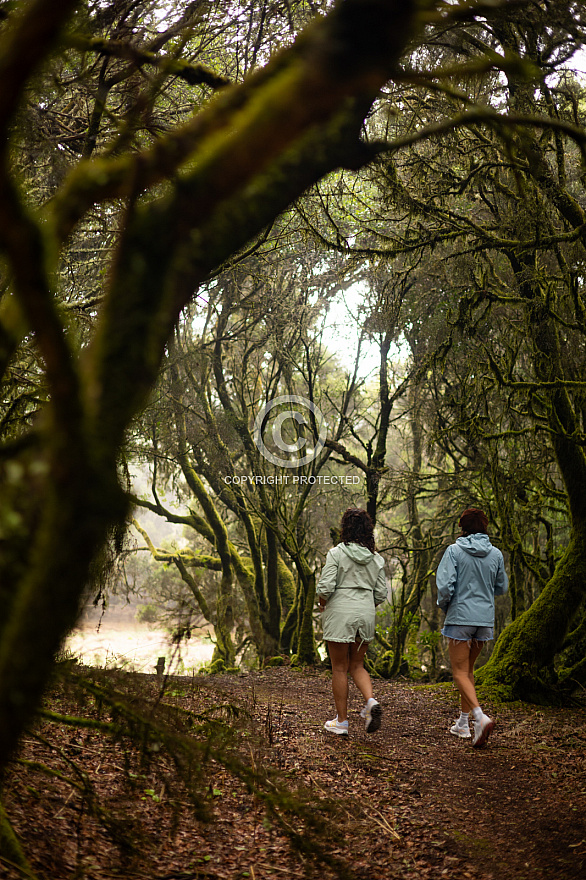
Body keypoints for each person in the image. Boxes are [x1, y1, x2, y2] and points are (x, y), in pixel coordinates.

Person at [436, 507, 508, 748]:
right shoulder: (496, 554)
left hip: (460, 618)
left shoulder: (454, 551)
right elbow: (501, 586)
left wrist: (445, 605)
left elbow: (445, 586)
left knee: (458, 672)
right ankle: (463, 724)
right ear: (484, 527)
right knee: (468, 671)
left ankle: (480, 718)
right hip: (484, 620)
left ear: (462, 528)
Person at [316, 508, 387, 736]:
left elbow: (326, 587)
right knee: (357, 665)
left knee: (339, 668)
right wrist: (365, 605)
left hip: (340, 612)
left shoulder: (337, 553)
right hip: (365, 613)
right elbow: (381, 593)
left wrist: (322, 603)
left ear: (345, 528)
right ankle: (370, 701)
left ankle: (342, 722)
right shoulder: (376, 559)